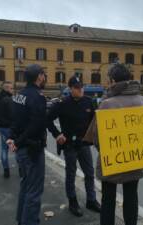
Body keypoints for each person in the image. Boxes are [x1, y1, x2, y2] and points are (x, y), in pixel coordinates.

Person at [84, 64, 143, 225]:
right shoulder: (142, 100)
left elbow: (98, 138)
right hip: (135, 158)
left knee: (108, 199)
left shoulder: (107, 104)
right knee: (132, 196)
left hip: (112, 159)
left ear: (112, 80)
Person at [47, 75, 101, 217]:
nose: (81, 90)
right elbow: (47, 119)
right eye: (77, 88)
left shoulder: (89, 102)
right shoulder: (62, 103)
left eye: (81, 87)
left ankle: (91, 200)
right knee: (71, 175)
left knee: (89, 174)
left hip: (84, 145)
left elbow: (96, 121)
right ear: (70, 89)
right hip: (69, 145)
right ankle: (73, 202)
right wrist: (57, 134)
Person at [7, 64, 47, 225]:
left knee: (25, 185)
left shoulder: (19, 95)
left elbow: (15, 120)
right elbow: (35, 125)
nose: (45, 77)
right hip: (32, 149)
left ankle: (21, 219)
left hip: (22, 149)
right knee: (34, 191)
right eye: (43, 74)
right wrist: (17, 141)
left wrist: (12, 138)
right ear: (39, 77)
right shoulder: (38, 97)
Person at [0, 81, 14, 178]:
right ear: (6, 88)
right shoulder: (8, 100)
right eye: (11, 88)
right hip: (10, 127)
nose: (12, 90)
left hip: (1, 127)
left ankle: (6, 170)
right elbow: (13, 115)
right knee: (16, 147)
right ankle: (21, 169)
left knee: (4, 148)